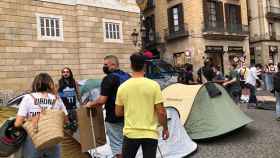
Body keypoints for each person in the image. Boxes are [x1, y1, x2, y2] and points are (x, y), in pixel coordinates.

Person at [115, 53, 169, 158]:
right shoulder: (154, 85)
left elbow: (118, 112)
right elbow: (161, 112)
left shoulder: (123, 87)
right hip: (150, 134)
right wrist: (165, 128)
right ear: (145, 65)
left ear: (131, 65)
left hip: (130, 133)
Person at [85, 55, 130, 158]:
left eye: (106, 64)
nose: (104, 66)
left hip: (113, 117)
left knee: (118, 147)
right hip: (128, 115)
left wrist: (90, 104)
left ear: (113, 65)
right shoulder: (127, 76)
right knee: (127, 145)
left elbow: (101, 100)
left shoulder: (108, 78)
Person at [14, 73, 68, 158]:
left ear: (35, 84)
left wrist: (33, 119)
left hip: (34, 139)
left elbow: (18, 123)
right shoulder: (57, 99)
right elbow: (65, 121)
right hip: (53, 138)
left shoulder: (28, 98)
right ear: (50, 84)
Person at [58, 67, 81, 132]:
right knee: (66, 127)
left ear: (70, 73)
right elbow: (57, 95)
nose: (65, 73)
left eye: (67, 72)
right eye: (64, 72)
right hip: (65, 108)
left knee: (75, 126)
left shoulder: (74, 82)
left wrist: (81, 104)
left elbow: (78, 93)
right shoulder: (59, 82)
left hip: (73, 108)